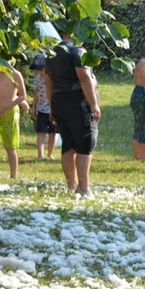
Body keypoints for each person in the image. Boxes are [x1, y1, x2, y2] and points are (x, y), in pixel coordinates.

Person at [45, 32, 100, 197]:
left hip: (59, 100)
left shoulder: (51, 52)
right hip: (77, 102)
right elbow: (84, 78)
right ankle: (83, 188)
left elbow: (48, 81)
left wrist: (52, 106)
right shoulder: (77, 52)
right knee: (85, 143)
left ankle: (71, 185)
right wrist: (94, 104)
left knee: (68, 145)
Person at [0, 63, 29, 180]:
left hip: (10, 112)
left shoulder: (15, 74)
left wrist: (7, 107)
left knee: (9, 146)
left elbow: (22, 96)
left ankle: (13, 175)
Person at [30, 55, 55, 160]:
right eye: (37, 70)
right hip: (42, 109)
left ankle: (50, 153)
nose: (38, 72)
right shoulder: (38, 78)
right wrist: (34, 107)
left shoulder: (54, 77)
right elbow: (36, 93)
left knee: (53, 133)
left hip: (54, 109)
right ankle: (40, 154)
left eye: (40, 70)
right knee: (41, 132)